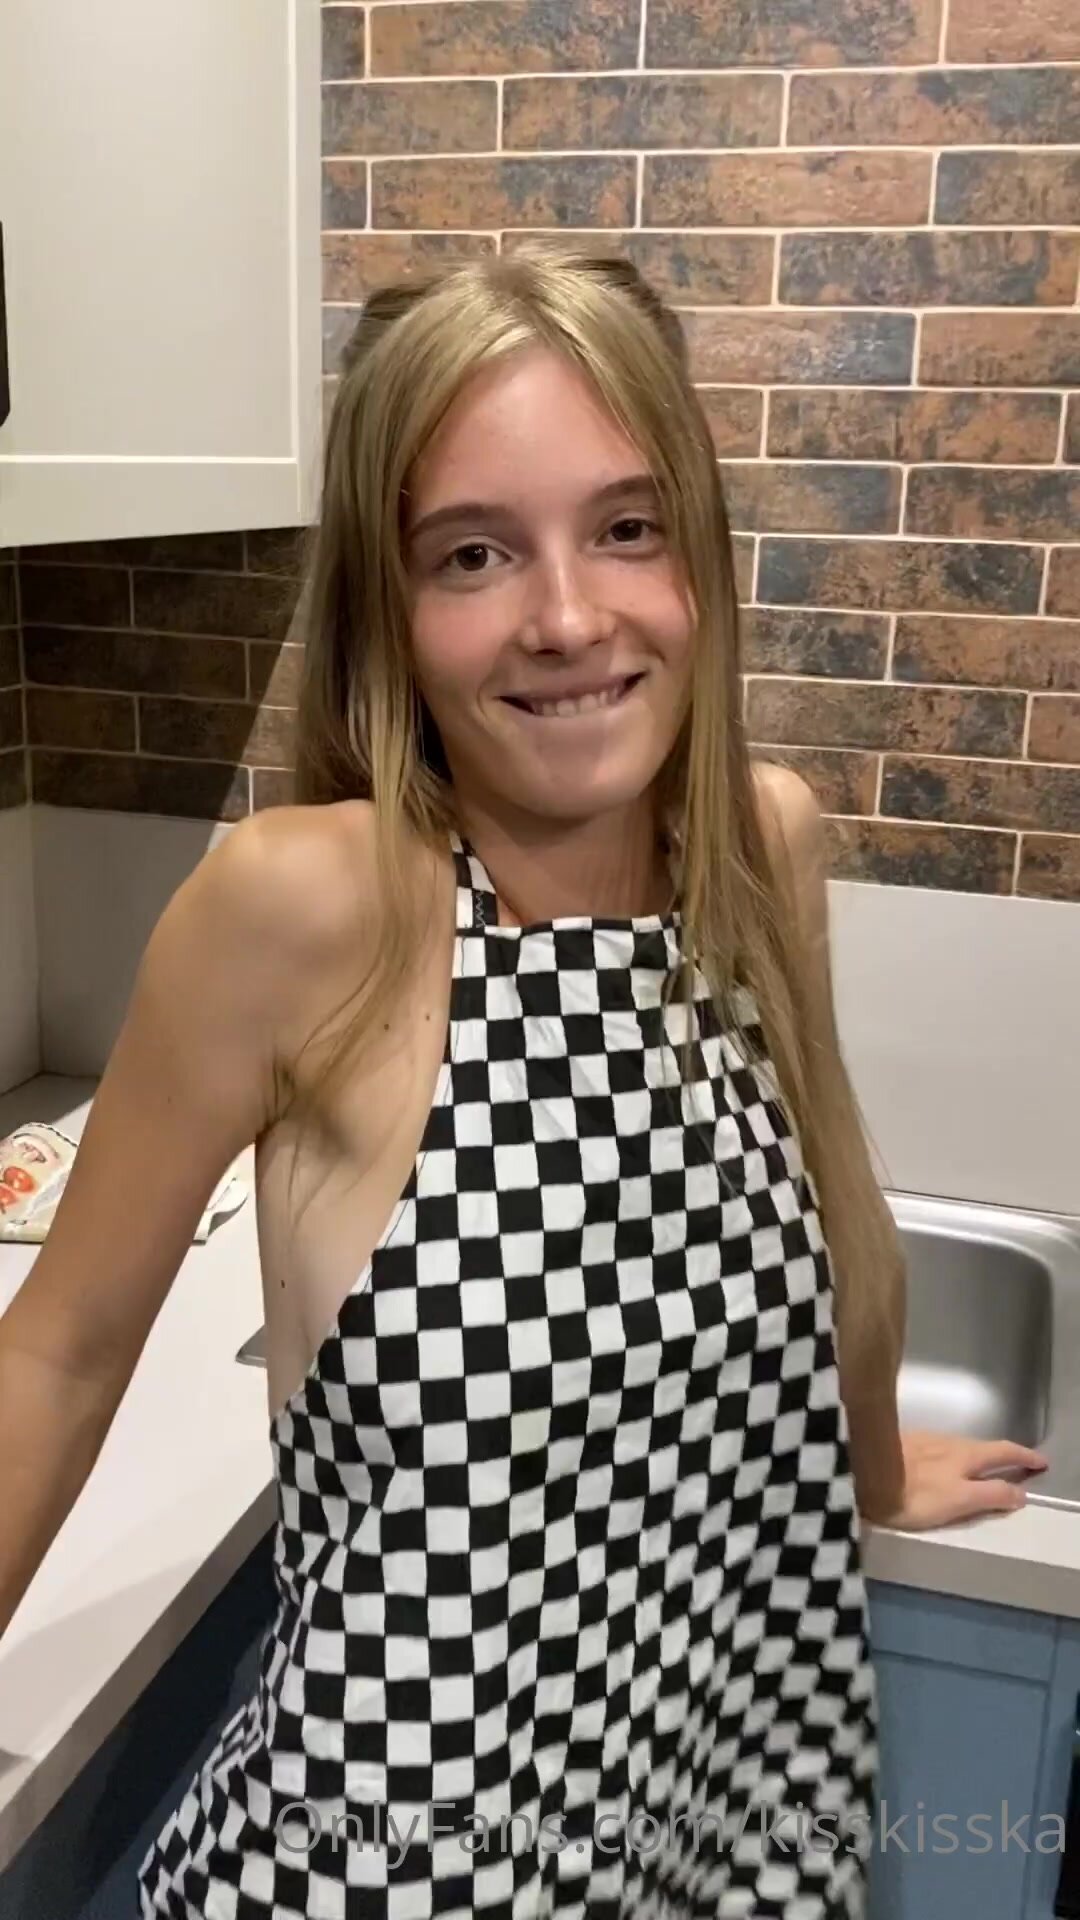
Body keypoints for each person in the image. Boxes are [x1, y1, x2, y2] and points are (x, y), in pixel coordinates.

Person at [0, 245, 1046, 1918]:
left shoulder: (760, 848)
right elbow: (55, 1356)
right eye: (474, 553)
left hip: (711, 1832)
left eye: (627, 526)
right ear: (392, 612)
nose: (568, 617)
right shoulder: (305, 909)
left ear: (699, 557)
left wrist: (860, 1457)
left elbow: (831, 1198)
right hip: (397, 1866)